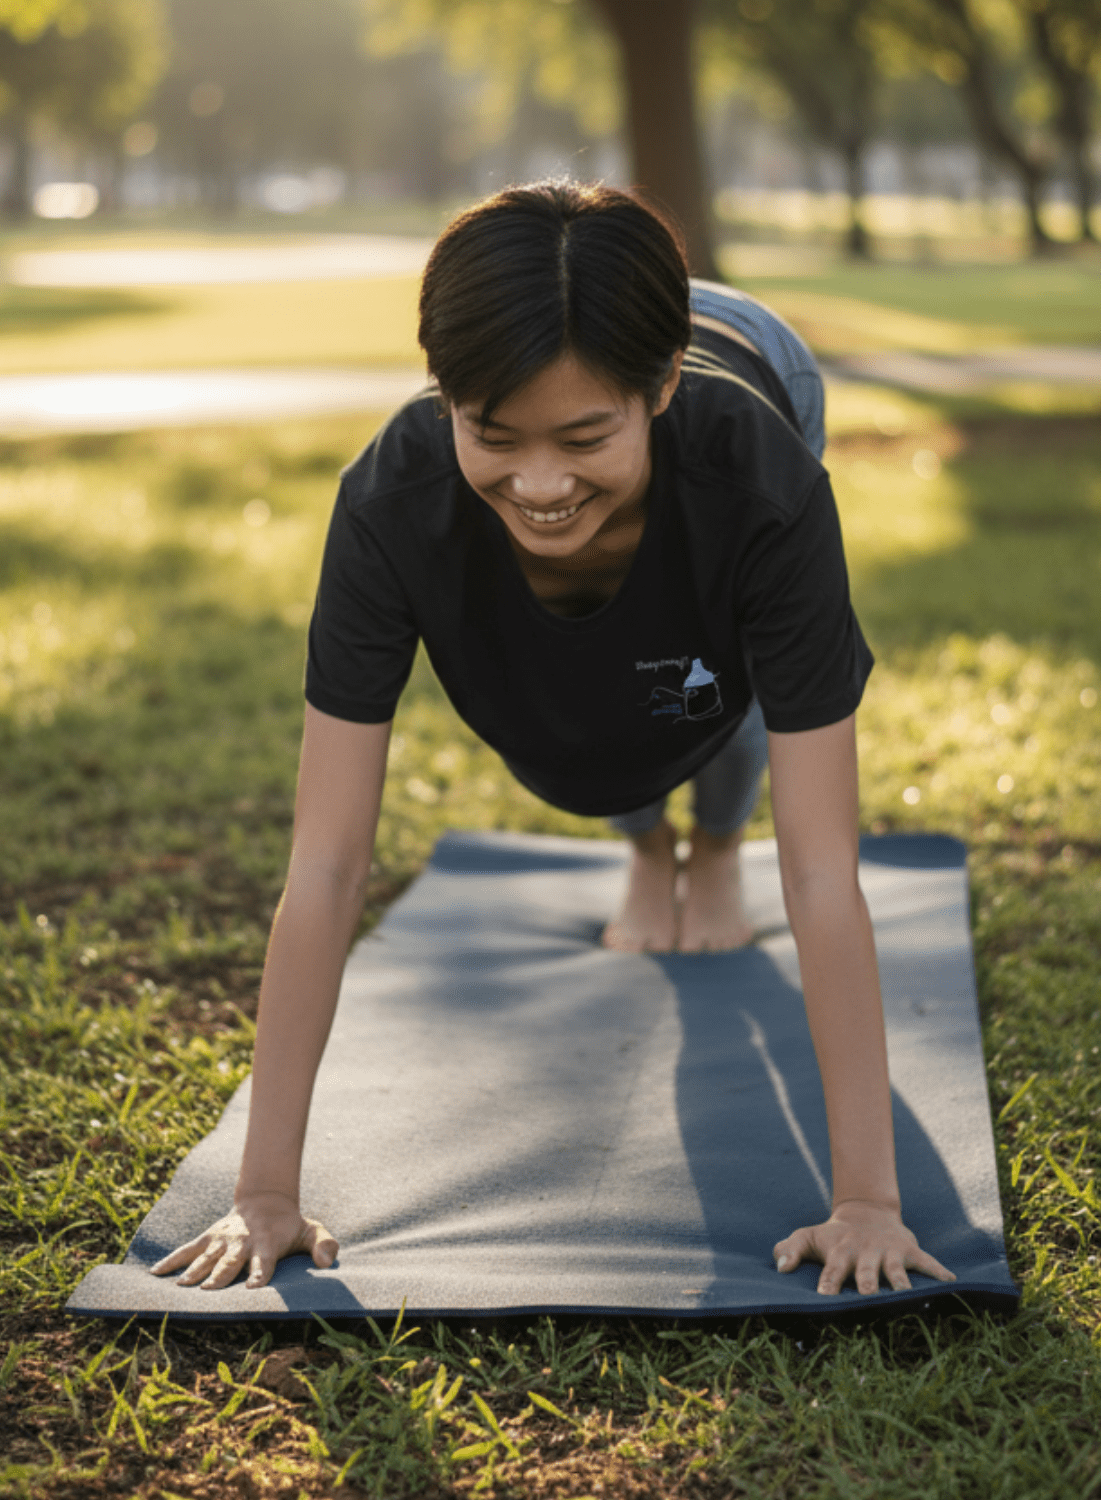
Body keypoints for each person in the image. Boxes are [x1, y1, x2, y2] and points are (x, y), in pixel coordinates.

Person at [151, 181, 955, 1299]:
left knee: (706, 681)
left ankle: (711, 851)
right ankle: (645, 847)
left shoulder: (760, 482)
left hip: (758, 360)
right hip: (598, 370)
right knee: (590, 720)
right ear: (446, 399)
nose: (539, 482)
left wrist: (866, 1200)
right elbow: (328, 863)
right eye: (494, 434)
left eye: (584, 438)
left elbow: (821, 868)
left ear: (661, 387)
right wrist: (266, 1190)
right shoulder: (393, 501)